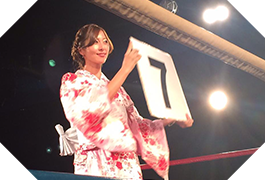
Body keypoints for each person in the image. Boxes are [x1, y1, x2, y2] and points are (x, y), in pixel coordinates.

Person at [59, 24, 193, 180]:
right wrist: (125, 69)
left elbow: (138, 126)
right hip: (96, 162)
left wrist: (171, 119)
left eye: (105, 41)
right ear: (81, 50)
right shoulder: (73, 81)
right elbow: (92, 109)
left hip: (126, 165)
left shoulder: (119, 90)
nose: (102, 47)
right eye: (95, 42)